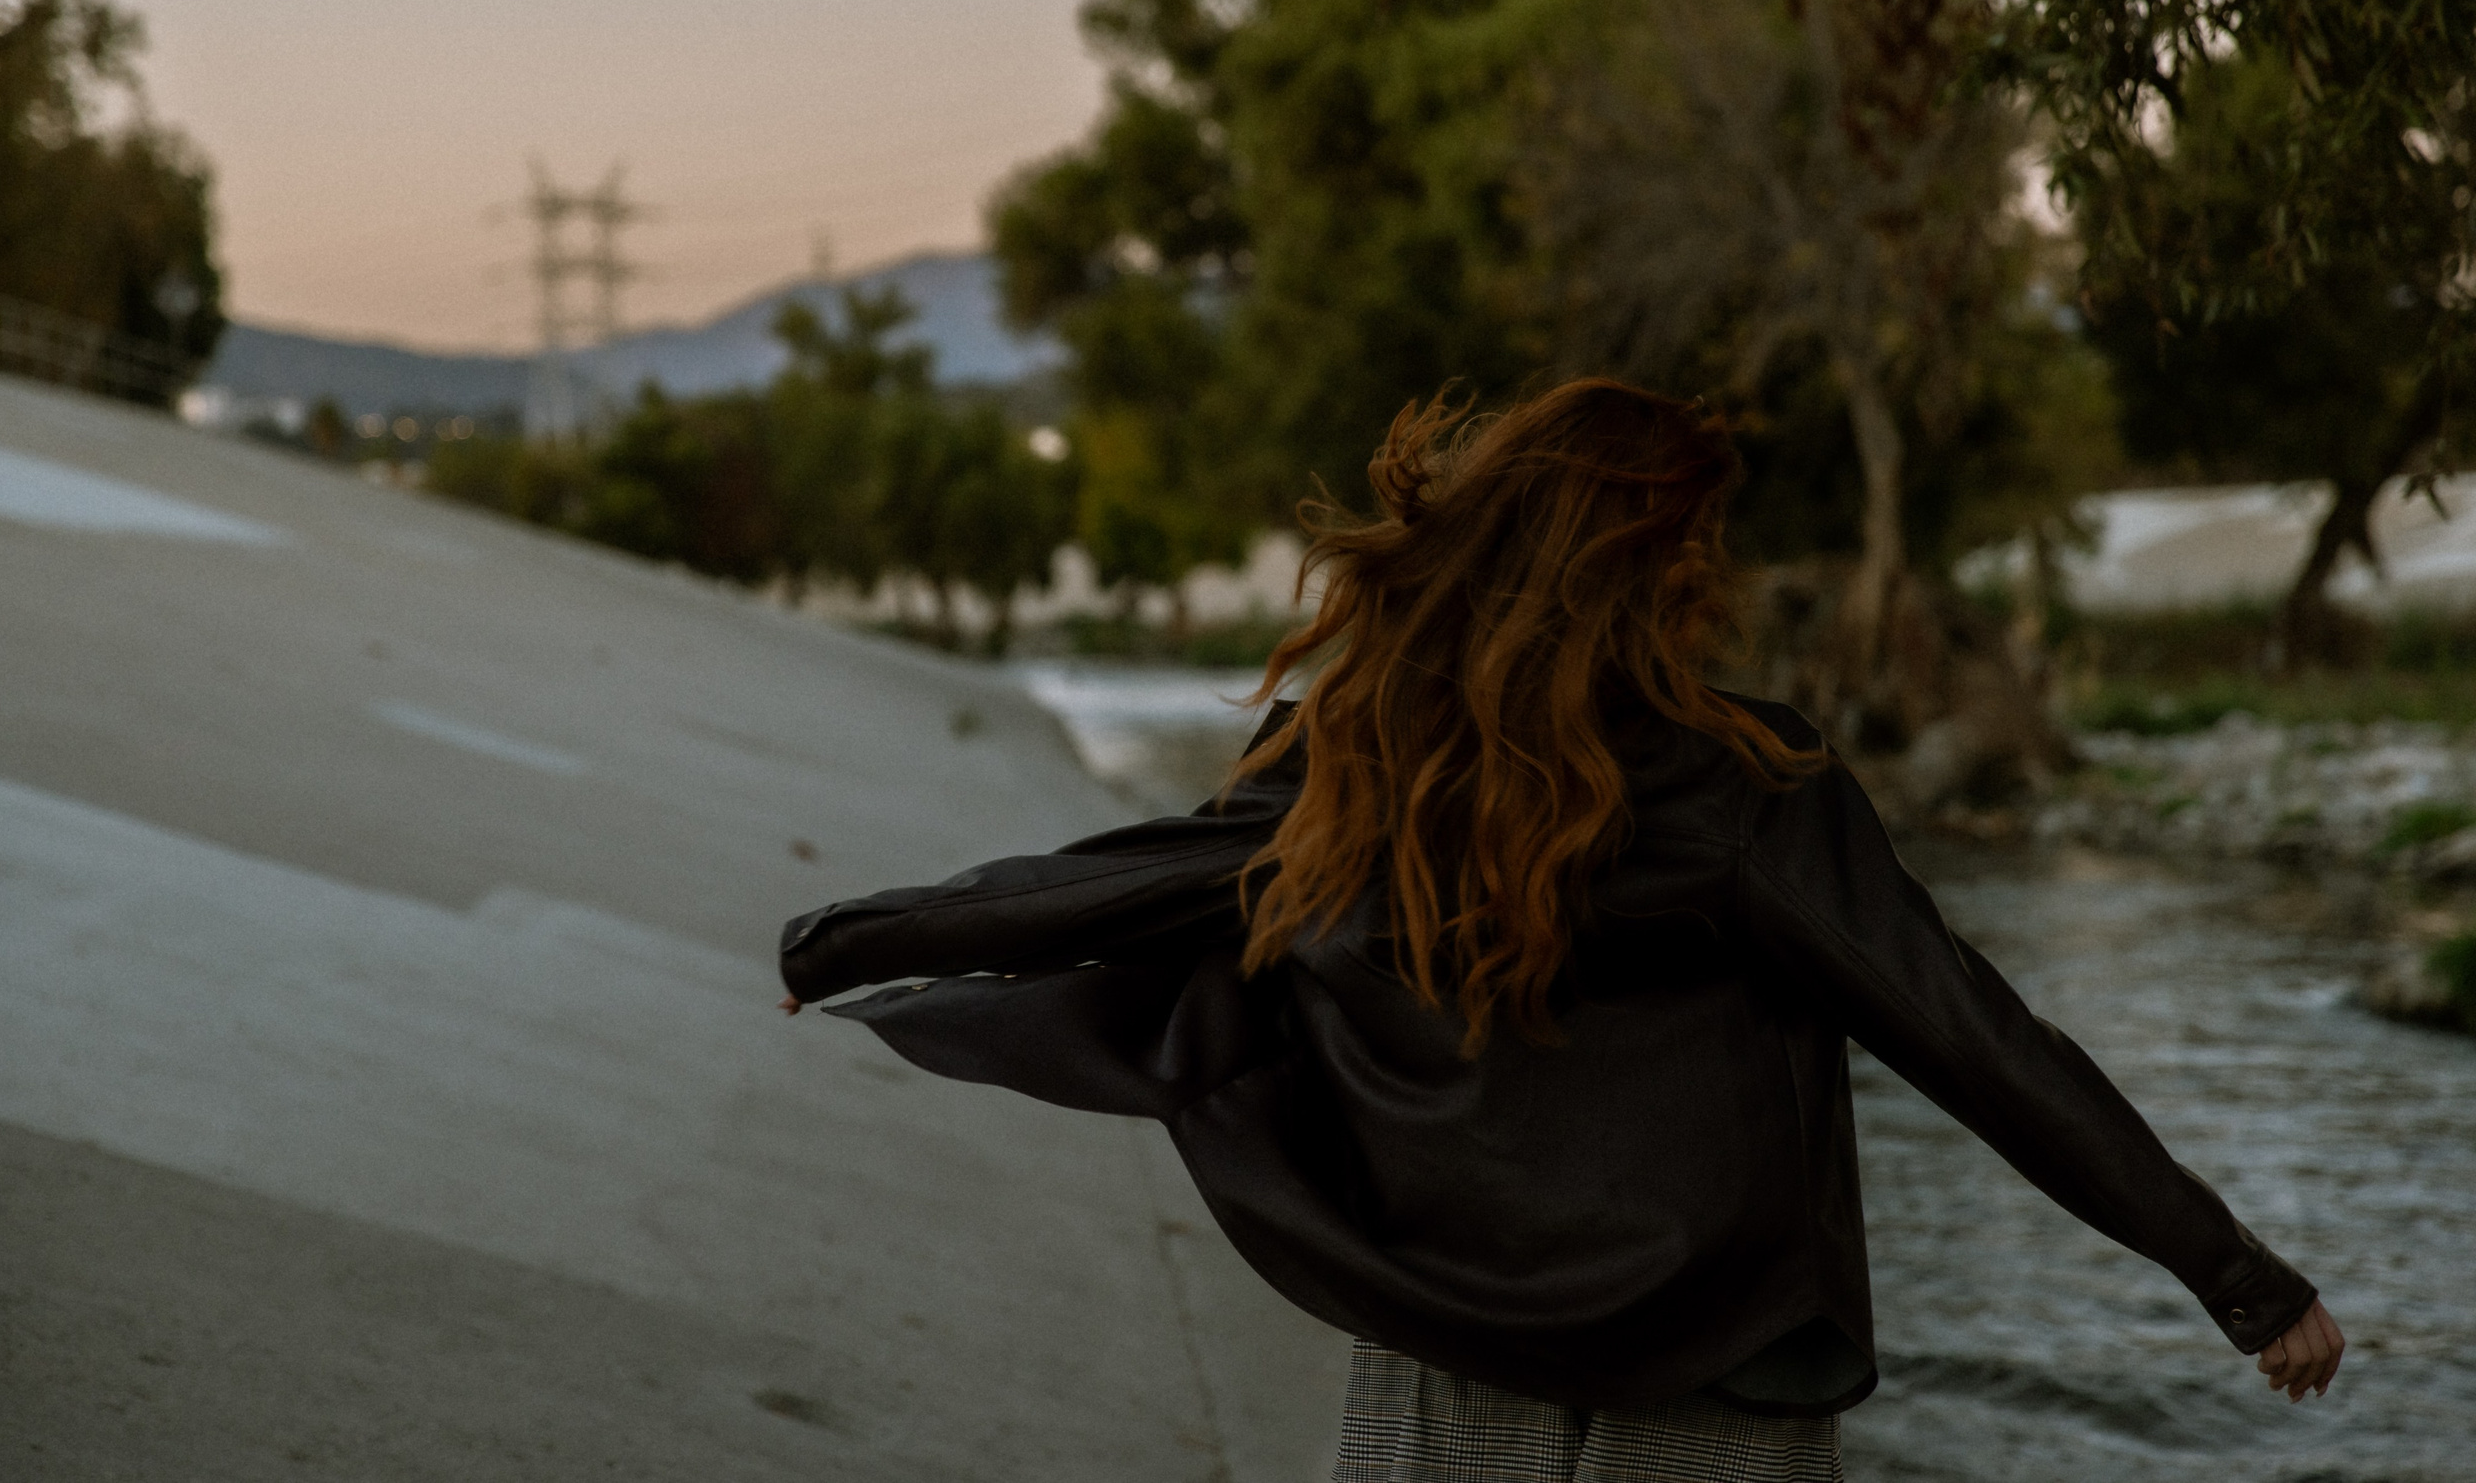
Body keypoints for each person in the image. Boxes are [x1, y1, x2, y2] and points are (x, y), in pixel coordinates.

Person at [777, 379, 2343, 1481]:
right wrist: (2241, 1280)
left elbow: (1128, 878)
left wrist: (858, 939)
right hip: (1717, 1358)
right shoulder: (1750, 783)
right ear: (1650, 567)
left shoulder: (1364, 746)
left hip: (1450, 1328)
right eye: (1694, 550)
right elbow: (1971, 1036)